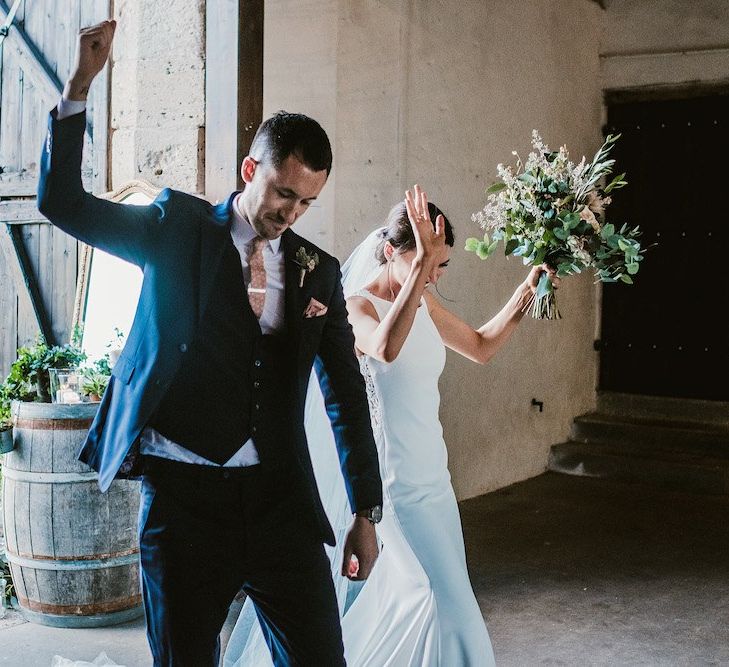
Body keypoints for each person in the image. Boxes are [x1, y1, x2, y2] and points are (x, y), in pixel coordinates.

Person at [37, 20, 383, 667]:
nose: (290, 212)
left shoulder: (319, 271)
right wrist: (78, 86)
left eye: (306, 201)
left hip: (280, 503)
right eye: (283, 192)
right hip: (184, 506)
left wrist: (366, 506)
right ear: (250, 169)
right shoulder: (177, 228)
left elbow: (345, 394)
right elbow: (64, 203)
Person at [225, 185, 558, 665]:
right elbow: (383, 348)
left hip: (435, 482)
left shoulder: (422, 300)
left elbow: (482, 346)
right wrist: (421, 267)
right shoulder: (355, 305)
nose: (433, 277)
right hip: (396, 487)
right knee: (447, 607)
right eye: (425, 263)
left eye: (441, 267)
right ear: (390, 252)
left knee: (423, 607)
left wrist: (528, 290)